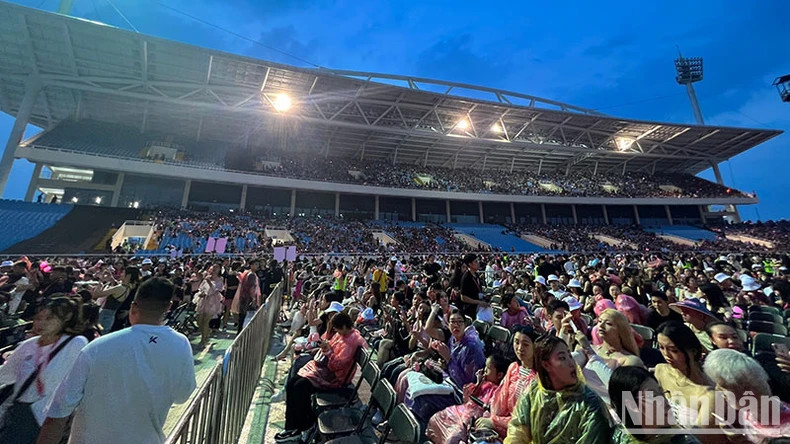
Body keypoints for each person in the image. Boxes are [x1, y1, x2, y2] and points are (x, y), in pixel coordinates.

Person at [37, 277, 197, 444]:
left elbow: (59, 411)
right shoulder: (180, 344)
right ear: (168, 307)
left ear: (134, 306)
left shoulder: (97, 347)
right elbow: (182, 395)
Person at [0, 297, 88, 443]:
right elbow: (6, 375)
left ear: (66, 318)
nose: (41, 323)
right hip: (20, 411)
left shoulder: (75, 343)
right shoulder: (28, 345)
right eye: (38, 318)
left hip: (46, 416)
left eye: (49, 318)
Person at [274, 312, 367, 441]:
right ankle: (291, 426)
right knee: (292, 383)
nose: (336, 332)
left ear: (345, 326)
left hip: (334, 378)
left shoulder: (352, 341)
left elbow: (338, 365)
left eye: (337, 329)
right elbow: (329, 343)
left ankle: (306, 424)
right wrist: (327, 338)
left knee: (300, 387)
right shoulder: (343, 334)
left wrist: (328, 350)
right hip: (325, 371)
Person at [505, 335, 610, 443]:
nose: (572, 363)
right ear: (546, 365)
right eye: (562, 358)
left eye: (570, 356)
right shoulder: (534, 391)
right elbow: (517, 431)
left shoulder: (590, 404)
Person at [703, 348, 790, 441]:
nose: (717, 390)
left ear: (746, 388)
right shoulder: (745, 413)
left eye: (723, 387)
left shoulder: (785, 430)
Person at [426, 354, 509, 444]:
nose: (484, 370)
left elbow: (488, 412)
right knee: (435, 418)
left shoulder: (497, 392)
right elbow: (467, 397)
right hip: (462, 411)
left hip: (470, 420)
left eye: (488, 368)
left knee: (452, 439)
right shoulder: (484, 384)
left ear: (499, 375)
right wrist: (478, 383)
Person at [476, 324, 539, 440]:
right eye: (516, 342)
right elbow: (500, 401)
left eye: (525, 344)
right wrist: (493, 421)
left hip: (522, 433)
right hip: (504, 423)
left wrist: (495, 422)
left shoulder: (538, 378)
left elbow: (527, 419)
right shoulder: (513, 368)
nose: (519, 348)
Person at [608, 366, 700, 444]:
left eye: (662, 393)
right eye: (654, 396)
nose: (666, 402)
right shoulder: (619, 439)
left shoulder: (681, 438)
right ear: (632, 405)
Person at [654, 321, 715, 428]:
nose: (666, 355)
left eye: (674, 350)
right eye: (661, 347)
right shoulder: (660, 371)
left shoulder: (708, 386)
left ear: (693, 350)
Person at [429, 309, 486, 387]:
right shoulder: (452, 339)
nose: (456, 325)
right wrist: (445, 365)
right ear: (448, 324)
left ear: (465, 324)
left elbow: (466, 383)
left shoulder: (470, 347)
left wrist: (449, 360)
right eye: (452, 322)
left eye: (459, 322)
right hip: (451, 381)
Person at [91, 266, 140, 333]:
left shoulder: (119, 288)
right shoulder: (128, 288)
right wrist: (110, 276)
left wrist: (101, 280)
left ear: (128, 276)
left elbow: (96, 294)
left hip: (103, 316)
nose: (121, 274)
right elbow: (116, 283)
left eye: (123, 273)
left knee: (97, 334)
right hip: (111, 316)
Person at [194, 265, 224, 348]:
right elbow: (201, 288)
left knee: (206, 321)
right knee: (199, 320)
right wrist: (201, 293)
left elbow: (217, 290)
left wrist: (210, 283)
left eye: (215, 269)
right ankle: (206, 333)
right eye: (212, 269)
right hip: (204, 300)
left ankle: (203, 340)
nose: (213, 270)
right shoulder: (206, 278)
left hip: (212, 302)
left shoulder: (220, 279)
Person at [459, 254, 486, 320]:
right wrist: (478, 302)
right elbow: (463, 297)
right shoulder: (466, 277)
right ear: (470, 264)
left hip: (478, 308)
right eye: (476, 262)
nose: (478, 263)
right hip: (470, 310)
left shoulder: (476, 274)